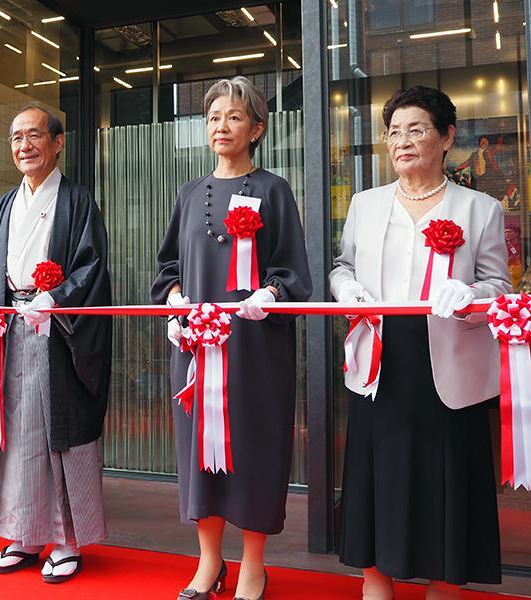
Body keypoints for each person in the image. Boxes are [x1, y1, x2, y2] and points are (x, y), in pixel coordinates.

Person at [329, 86, 511, 599]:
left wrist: (469, 291)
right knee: (375, 480)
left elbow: (500, 286)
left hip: (449, 363)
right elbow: (341, 266)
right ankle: (376, 587)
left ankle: (444, 589)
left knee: (445, 486)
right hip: (380, 363)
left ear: (447, 137)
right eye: (393, 132)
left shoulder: (480, 209)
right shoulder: (366, 204)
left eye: (416, 130)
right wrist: (348, 289)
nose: (402, 141)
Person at [151, 77, 312, 600]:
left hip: (256, 348)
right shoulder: (190, 192)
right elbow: (168, 266)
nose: (222, 125)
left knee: (255, 449)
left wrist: (270, 293)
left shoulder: (275, 190)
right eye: (214, 116)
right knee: (200, 453)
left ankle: (254, 566)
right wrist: (174, 300)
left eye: (235, 116)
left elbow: (293, 273)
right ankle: (208, 562)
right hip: (198, 349)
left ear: (257, 128)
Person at [0, 105, 111, 584]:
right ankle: (23, 532)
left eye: (34, 135)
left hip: (56, 329)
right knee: (18, 431)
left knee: (57, 432)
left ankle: (67, 538)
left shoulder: (77, 201)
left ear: (58, 142)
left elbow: (91, 268)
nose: (24, 146)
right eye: (16, 138)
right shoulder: (6, 205)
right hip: (11, 328)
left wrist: (55, 298)